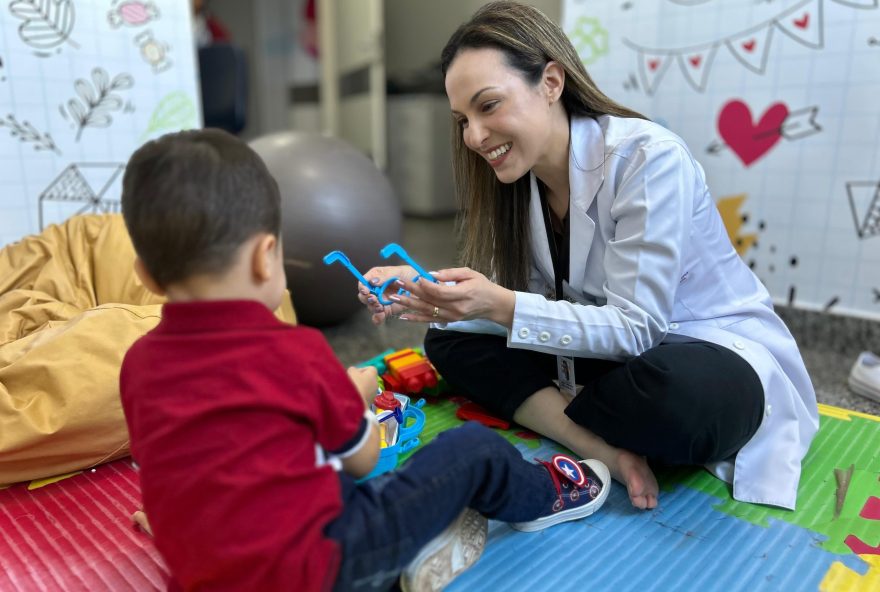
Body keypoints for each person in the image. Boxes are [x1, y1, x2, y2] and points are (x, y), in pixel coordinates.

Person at [359, 1, 818, 512]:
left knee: (670, 398)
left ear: (551, 83)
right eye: (462, 119)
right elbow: (534, 296)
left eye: (487, 106)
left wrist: (498, 307)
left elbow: (638, 328)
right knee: (449, 338)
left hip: (701, 348)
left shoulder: (648, 158)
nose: (473, 137)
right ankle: (596, 442)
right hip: (601, 359)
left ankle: (572, 408)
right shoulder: (520, 183)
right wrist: (431, 288)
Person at [118, 128, 612, 592]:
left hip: (202, 571)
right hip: (324, 565)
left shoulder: (137, 365)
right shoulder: (296, 353)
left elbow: (169, 464)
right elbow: (363, 460)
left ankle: (420, 548)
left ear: (145, 274)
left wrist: (172, 519)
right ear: (264, 256)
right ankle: (546, 495)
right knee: (472, 450)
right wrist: (355, 399)